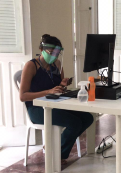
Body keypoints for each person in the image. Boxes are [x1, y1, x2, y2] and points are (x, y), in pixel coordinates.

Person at [19, 34, 94, 164]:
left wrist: (62, 85)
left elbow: (57, 89)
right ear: (41, 49)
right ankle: (57, 155)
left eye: (57, 53)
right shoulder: (31, 66)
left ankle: (55, 147)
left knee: (88, 118)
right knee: (74, 123)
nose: (54, 55)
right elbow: (23, 96)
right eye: (51, 52)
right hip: (37, 108)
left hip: (55, 104)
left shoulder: (57, 64)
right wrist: (48, 91)